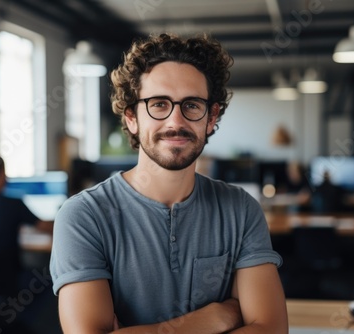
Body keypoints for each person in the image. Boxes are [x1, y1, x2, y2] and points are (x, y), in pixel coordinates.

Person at [50, 33, 288, 333]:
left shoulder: (241, 210)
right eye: (159, 104)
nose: (176, 121)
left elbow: (270, 329)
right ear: (132, 117)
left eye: (191, 105)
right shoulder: (83, 216)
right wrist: (215, 317)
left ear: (211, 117)